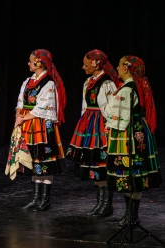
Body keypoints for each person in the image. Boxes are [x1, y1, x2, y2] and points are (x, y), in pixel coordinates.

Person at [105, 55, 161, 226]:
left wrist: (110, 123)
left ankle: (132, 216)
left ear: (126, 68)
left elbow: (118, 116)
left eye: (119, 65)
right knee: (132, 175)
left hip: (128, 132)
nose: (117, 67)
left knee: (132, 171)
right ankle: (131, 215)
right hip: (137, 129)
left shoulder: (128, 89)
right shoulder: (132, 87)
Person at [66, 49, 119, 217]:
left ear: (96, 64)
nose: (83, 67)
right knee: (93, 163)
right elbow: (85, 105)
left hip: (100, 125)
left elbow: (110, 108)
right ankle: (100, 202)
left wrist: (109, 127)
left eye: (86, 64)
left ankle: (107, 204)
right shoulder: (89, 81)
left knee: (102, 163)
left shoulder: (106, 82)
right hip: (89, 123)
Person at [14, 49, 66, 211]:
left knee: (45, 160)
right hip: (28, 124)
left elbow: (44, 106)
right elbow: (20, 101)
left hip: (42, 126)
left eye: (31, 61)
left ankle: (45, 199)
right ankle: (36, 197)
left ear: (39, 62)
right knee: (34, 161)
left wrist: (24, 117)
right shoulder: (28, 81)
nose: (28, 63)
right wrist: (18, 115)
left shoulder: (48, 83)